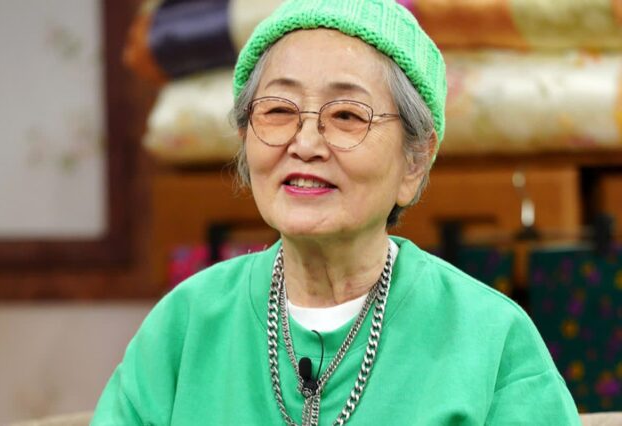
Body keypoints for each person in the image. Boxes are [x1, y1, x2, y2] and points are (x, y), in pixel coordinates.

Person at [92, 0, 581, 424]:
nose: (305, 144)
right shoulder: (185, 324)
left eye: (347, 115)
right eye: (278, 111)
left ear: (414, 162)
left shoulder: (491, 339)